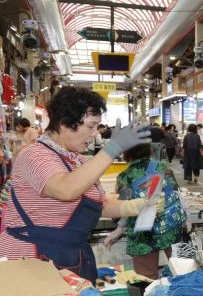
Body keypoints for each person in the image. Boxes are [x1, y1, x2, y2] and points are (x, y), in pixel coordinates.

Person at [0, 86, 151, 282]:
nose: (94, 134)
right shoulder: (34, 155)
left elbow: (98, 203)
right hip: (30, 260)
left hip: (69, 257)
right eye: (90, 126)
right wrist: (113, 149)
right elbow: (66, 189)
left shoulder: (76, 159)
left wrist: (135, 206)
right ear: (64, 123)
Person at [112, 143, 186, 280]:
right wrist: (186, 219)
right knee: (182, 269)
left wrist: (118, 227)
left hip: (143, 233)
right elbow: (177, 192)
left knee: (146, 277)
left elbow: (124, 207)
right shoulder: (163, 167)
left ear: (127, 153)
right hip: (171, 226)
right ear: (149, 151)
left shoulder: (125, 176)